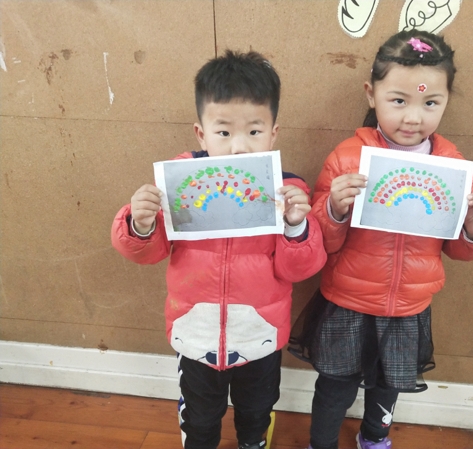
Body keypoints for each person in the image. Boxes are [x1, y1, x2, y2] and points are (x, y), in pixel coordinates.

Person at [288, 30, 473, 449]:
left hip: (408, 306)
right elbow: (321, 243)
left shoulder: (454, 167)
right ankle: (322, 443)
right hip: (347, 299)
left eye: (430, 103)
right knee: (334, 386)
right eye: (398, 100)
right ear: (372, 95)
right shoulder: (346, 158)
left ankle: (374, 438)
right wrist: (334, 208)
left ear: (447, 101)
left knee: (388, 387)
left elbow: (461, 250)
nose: (413, 118)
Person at [111, 50, 327, 449]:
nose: (239, 148)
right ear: (201, 134)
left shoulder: (287, 193)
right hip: (195, 332)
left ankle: (253, 442)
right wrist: (140, 223)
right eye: (224, 132)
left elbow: (300, 269)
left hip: (260, 332)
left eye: (254, 131)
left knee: (257, 409)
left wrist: (296, 225)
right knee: (199, 415)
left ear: (274, 133)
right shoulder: (177, 185)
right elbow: (147, 252)